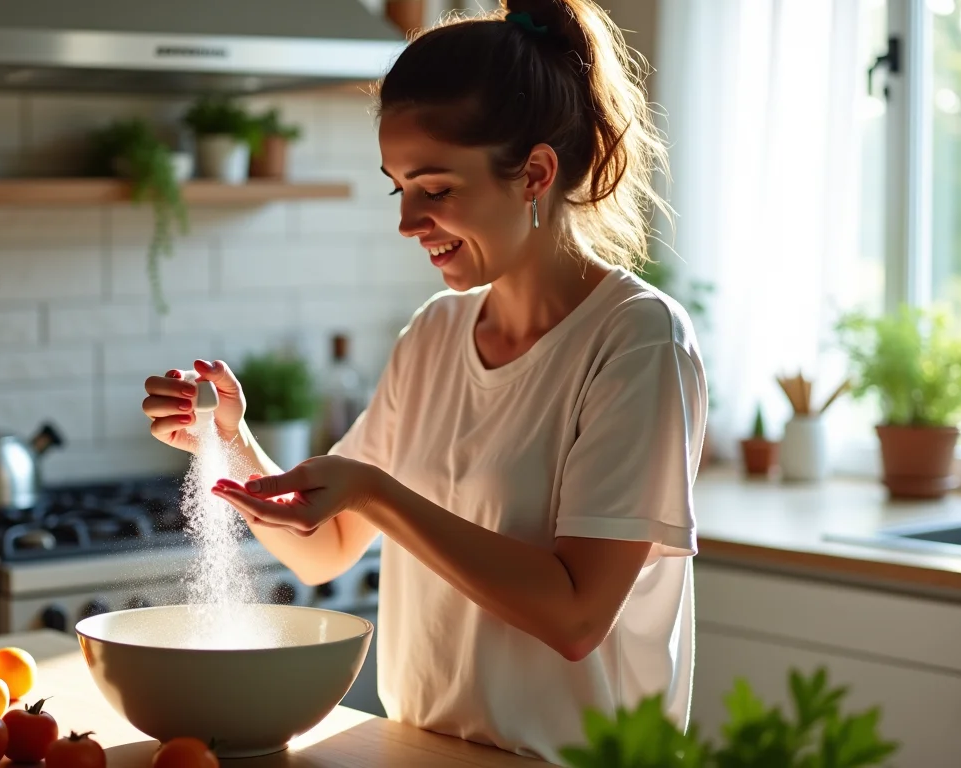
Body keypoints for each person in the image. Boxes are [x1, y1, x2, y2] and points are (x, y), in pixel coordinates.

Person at [141, 0, 708, 763]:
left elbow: (577, 616)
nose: (409, 221)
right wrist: (233, 443)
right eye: (397, 187)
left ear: (536, 174)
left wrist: (374, 489)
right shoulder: (436, 334)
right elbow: (328, 546)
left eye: (435, 188)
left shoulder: (637, 340)